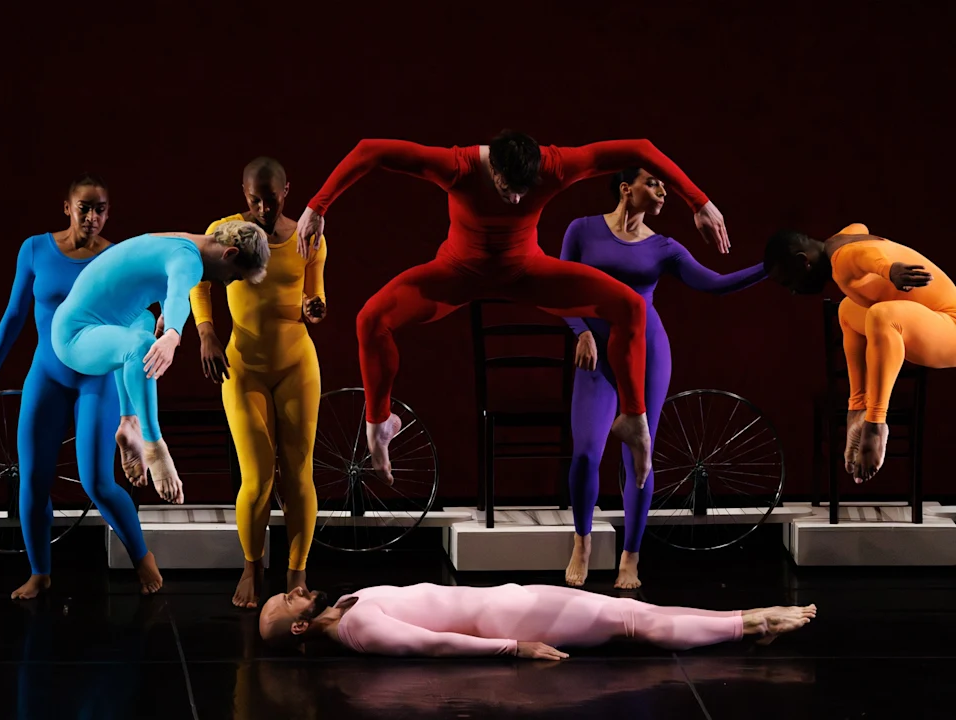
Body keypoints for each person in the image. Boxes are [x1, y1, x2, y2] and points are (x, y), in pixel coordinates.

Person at [295, 131, 731, 488]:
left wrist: (700, 202)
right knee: (371, 319)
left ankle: (633, 419)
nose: (518, 201)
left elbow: (640, 148)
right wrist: (318, 206)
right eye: (508, 189)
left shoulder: (554, 165)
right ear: (494, 171)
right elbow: (372, 151)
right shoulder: (460, 167)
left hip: (526, 271)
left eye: (526, 192)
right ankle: (379, 422)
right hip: (458, 273)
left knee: (630, 306)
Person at [560, 168, 766, 589]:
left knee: (638, 457)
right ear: (625, 188)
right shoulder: (581, 230)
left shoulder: (664, 247)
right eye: (653, 183)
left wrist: (769, 268)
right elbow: (559, 288)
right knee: (585, 453)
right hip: (596, 354)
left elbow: (716, 284)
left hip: (648, 353)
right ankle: (582, 542)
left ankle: (630, 558)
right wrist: (580, 331)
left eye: (665, 187)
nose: (662, 192)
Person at [0, 174, 160, 599]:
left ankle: (143, 557)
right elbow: (14, 316)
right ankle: (39, 573)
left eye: (100, 208)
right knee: (32, 479)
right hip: (47, 375)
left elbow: (140, 321)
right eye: (84, 207)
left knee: (97, 482)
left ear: (109, 212)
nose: (92, 216)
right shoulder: (35, 250)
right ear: (67, 207)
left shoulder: (116, 258)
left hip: (96, 378)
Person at [51, 222, 271, 506]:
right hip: (74, 337)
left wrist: (167, 316)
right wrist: (173, 334)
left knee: (142, 322)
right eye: (236, 276)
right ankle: (154, 446)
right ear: (228, 254)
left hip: (97, 325)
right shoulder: (189, 259)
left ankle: (129, 422)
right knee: (141, 345)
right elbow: (180, 291)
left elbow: (171, 286)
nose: (230, 283)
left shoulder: (182, 241)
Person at [190, 157, 327, 609]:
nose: (264, 208)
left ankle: (297, 573)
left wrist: (314, 306)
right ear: (243, 194)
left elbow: (314, 291)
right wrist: (207, 331)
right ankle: (252, 567)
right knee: (258, 476)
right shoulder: (226, 230)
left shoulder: (307, 233)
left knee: (299, 473)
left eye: (271, 199)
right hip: (243, 366)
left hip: (295, 364)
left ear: (287, 190)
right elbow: (199, 279)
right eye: (254, 200)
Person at [764, 223, 953, 484]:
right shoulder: (839, 240)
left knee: (882, 316)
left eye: (789, 282)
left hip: (949, 328)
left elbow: (862, 258)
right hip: (928, 323)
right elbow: (859, 229)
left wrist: (889, 270)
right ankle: (857, 408)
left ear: (803, 261)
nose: (794, 291)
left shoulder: (841, 261)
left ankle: (875, 426)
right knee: (848, 311)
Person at [258, 582, 816, 656]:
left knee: (631, 611)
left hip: (507, 601)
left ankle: (743, 617)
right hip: (511, 620)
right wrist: (514, 649)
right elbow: (436, 645)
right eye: (288, 602)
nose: (294, 591)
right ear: (301, 626)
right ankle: (751, 624)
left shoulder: (351, 601)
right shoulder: (360, 629)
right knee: (628, 621)